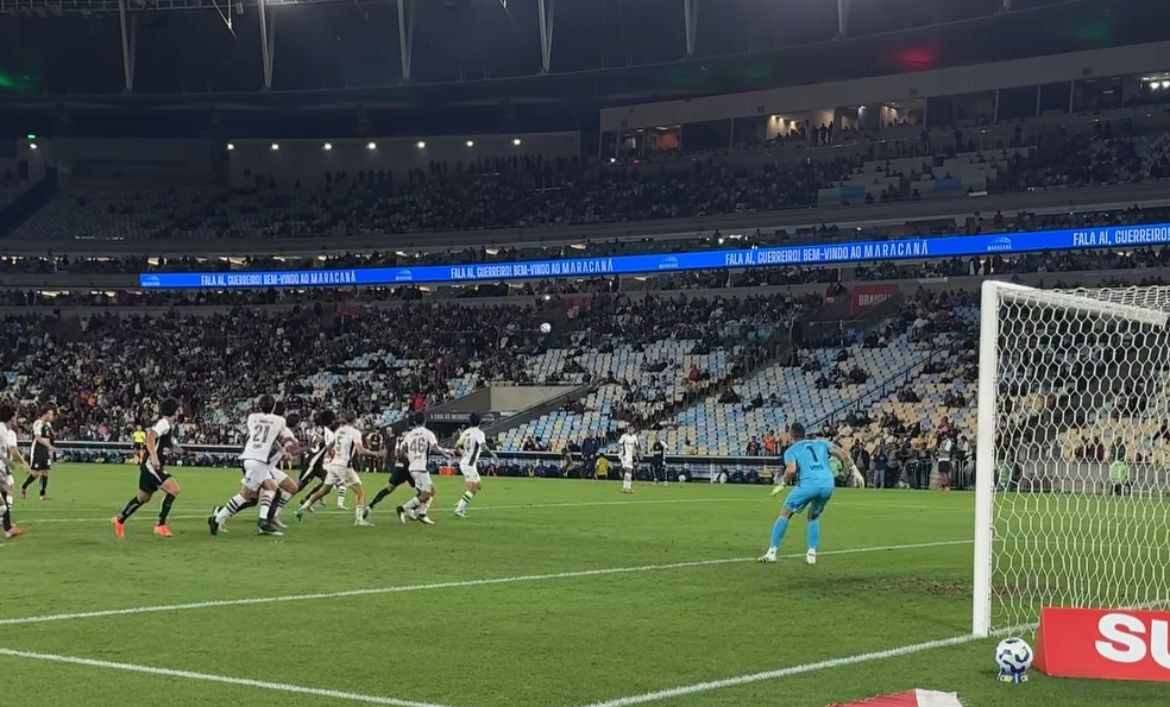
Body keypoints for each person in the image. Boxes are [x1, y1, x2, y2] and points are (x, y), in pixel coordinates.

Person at [759, 422, 864, 566]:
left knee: (785, 513)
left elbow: (791, 470)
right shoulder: (822, 443)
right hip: (827, 483)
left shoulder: (792, 450)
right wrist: (855, 471)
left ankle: (772, 552)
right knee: (813, 516)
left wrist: (782, 484)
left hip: (809, 483)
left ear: (791, 434)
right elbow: (843, 454)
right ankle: (811, 554)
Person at [208, 395, 301, 537]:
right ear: (274, 407)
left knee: (270, 488)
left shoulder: (252, 417)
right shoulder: (280, 420)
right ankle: (218, 518)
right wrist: (289, 449)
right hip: (258, 460)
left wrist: (282, 451)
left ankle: (261, 521)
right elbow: (283, 438)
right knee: (246, 495)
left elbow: (265, 435)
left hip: (250, 456)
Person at [112, 398, 184, 539]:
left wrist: (181, 451)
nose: (179, 412)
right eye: (177, 409)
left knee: (143, 498)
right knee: (174, 489)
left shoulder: (167, 425)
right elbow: (150, 438)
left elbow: (166, 444)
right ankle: (160, 525)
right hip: (151, 465)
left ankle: (119, 519)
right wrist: (155, 457)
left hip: (148, 465)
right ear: (173, 410)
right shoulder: (164, 423)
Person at [296, 411, 380, 527]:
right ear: (355, 420)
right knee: (361, 492)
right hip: (344, 465)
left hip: (334, 464)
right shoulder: (355, 432)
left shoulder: (339, 431)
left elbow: (329, 447)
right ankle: (359, 519)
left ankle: (302, 508)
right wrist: (375, 453)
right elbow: (360, 450)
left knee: (324, 490)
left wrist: (333, 457)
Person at [394, 412, 454, 526]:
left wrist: (411, 456)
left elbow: (401, 452)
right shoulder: (428, 433)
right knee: (427, 494)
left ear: (415, 422)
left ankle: (422, 513)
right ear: (424, 421)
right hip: (421, 467)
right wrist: (444, 454)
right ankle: (403, 508)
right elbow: (435, 447)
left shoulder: (409, 435)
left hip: (412, 468)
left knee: (432, 491)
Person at [453, 413, 497, 518]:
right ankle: (459, 509)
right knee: (472, 489)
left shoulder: (466, 432)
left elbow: (456, 446)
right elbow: (483, 445)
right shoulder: (479, 433)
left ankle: (461, 501)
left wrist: (463, 453)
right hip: (469, 464)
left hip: (469, 463)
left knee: (478, 486)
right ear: (480, 422)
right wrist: (491, 453)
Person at [0, 403, 28, 539]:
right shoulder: (3, 431)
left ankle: (8, 528)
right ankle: (7, 527)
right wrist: (9, 462)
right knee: (4, 494)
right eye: (15, 416)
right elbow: (11, 450)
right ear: (11, 417)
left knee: (4, 494)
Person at [20, 407, 56, 501]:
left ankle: (42, 494)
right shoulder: (37, 423)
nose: (52, 416)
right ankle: (23, 486)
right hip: (37, 449)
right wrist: (49, 446)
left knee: (45, 472)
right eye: (50, 414)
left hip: (45, 449)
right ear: (45, 414)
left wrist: (49, 450)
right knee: (35, 473)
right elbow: (38, 438)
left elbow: (47, 438)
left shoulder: (48, 424)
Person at [618, 426, 639, 494]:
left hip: (630, 456)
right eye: (630, 429)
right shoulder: (624, 436)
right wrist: (621, 454)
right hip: (625, 456)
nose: (631, 430)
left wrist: (636, 455)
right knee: (628, 470)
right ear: (628, 430)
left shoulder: (634, 437)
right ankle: (628, 488)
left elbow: (637, 446)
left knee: (629, 471)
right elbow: (620, 444)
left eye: (632, 429)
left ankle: (625, 487)